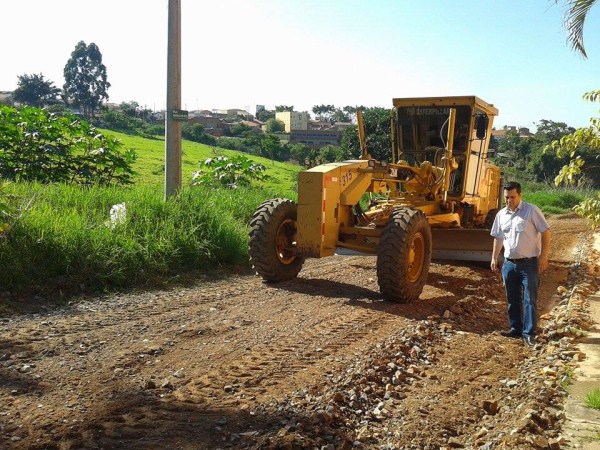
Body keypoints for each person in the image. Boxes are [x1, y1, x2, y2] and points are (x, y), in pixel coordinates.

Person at [490, 181, 551, 348]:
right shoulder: (501, 215)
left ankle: (529, 333)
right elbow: (498, 237)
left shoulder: (531, 211)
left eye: (512, 197)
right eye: (506, 198)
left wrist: (544, 256)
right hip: (509, 264)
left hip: (529, 264)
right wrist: (494, 258)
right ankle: (516, 327)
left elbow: (546, 233)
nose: (509, 201)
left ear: (520, 195)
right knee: (512, 298)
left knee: (530, 299)